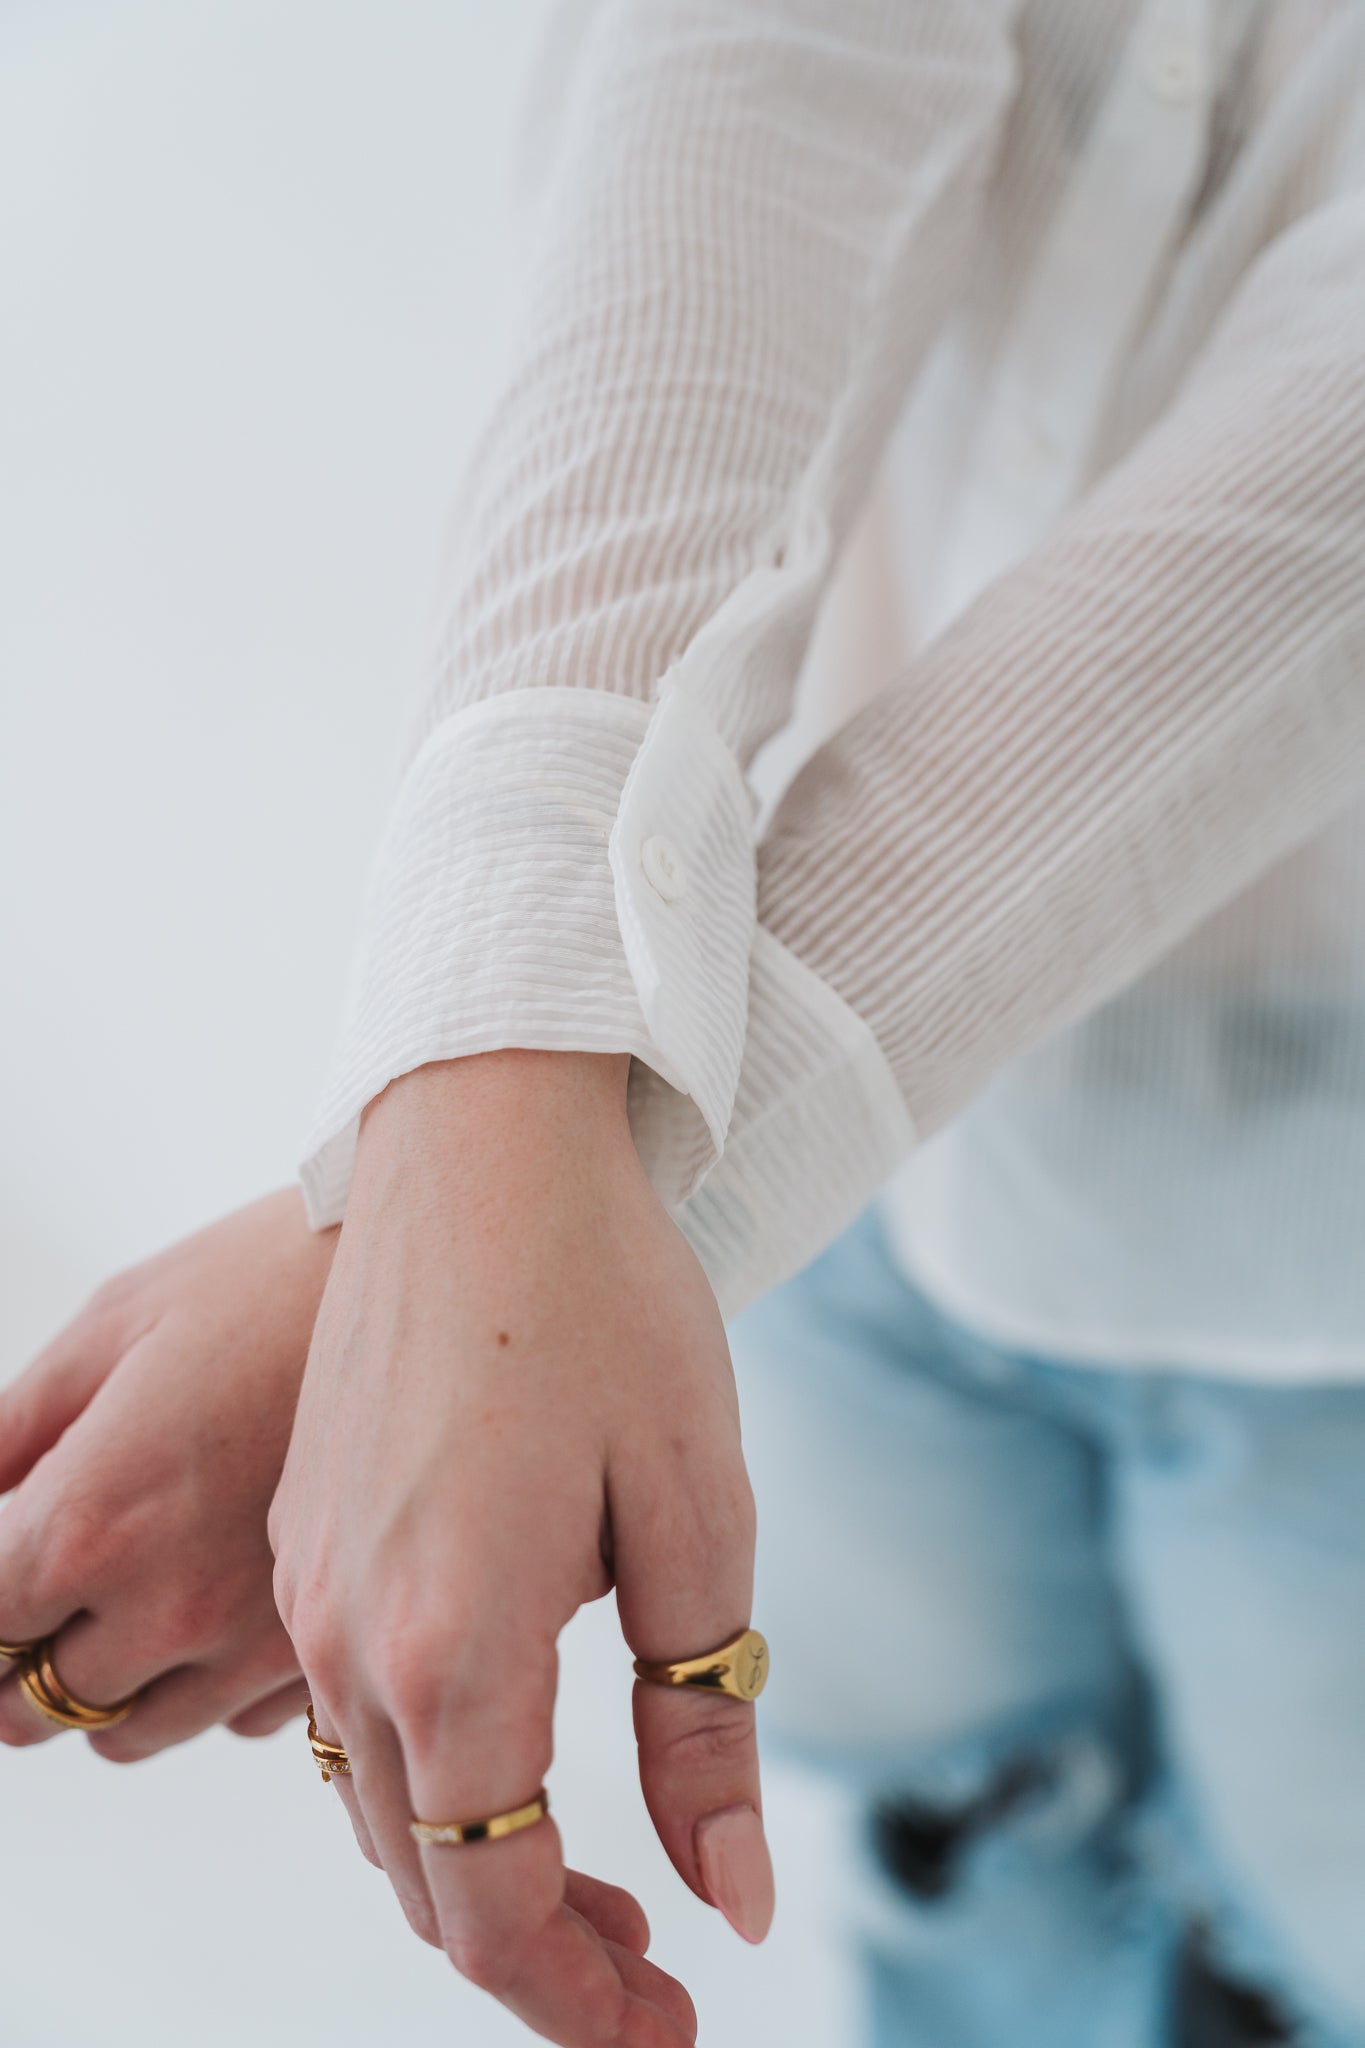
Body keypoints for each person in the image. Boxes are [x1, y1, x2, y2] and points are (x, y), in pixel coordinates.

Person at [3, 2, 1365, 2043]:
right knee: (950, 1816)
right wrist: (503, 1129)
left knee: (1315, 1910)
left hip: (1306, 1243)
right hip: (799, 1170)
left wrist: (475, 1201)